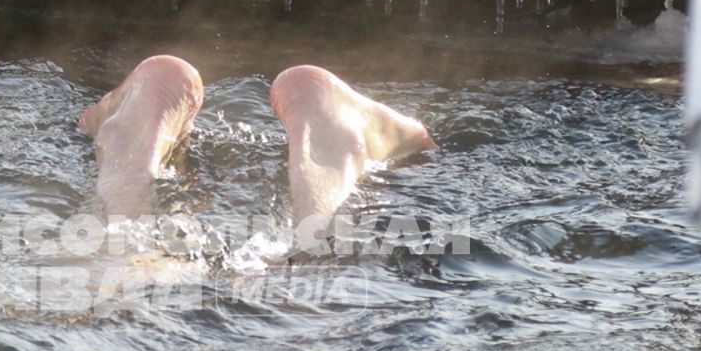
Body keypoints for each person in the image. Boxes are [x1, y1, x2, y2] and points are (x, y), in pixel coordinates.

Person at [77, 55, 435, 223]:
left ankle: (144, 112)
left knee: (126, 251)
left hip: (150, 297)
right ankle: (329, 120)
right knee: (313, 253)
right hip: (299, 304)